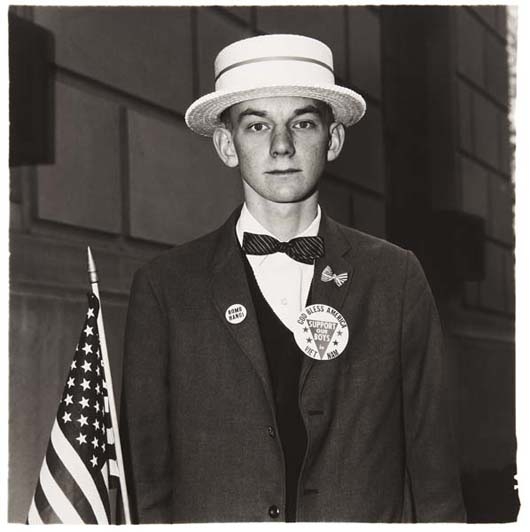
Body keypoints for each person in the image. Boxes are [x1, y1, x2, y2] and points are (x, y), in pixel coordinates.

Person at [121, 34, 466, 523]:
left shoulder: (395, 278)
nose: (281, 146)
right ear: (226, 144)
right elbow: (146, 481)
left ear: (334, 138)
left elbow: (435, 476)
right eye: (257, 125)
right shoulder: (165, 287)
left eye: (302, 123)